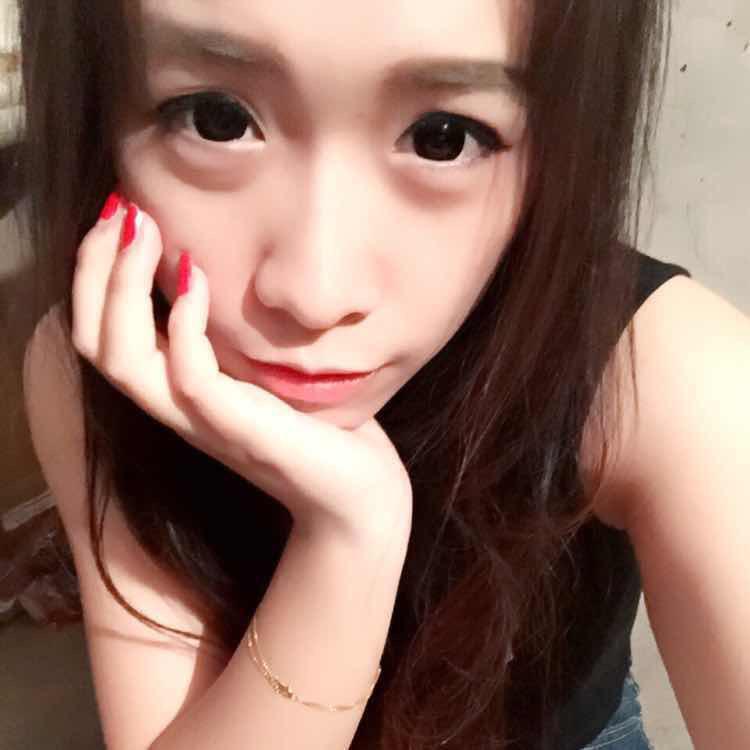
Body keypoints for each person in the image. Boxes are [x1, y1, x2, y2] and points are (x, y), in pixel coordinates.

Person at [11, 0, 750, 748]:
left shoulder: (668, 373)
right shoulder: (101, 364)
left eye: (443, 137)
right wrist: (346, 540)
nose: (315, 293)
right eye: (216, 120)